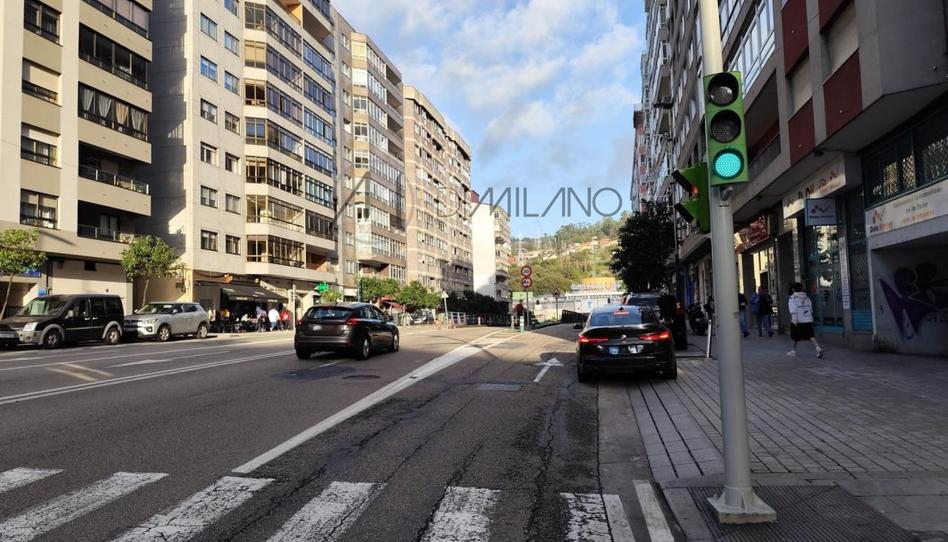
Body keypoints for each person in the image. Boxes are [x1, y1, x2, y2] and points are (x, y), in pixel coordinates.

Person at [788, 282, 824, 358]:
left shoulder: (792, 298)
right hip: (807, 318)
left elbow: (793, 310)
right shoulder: (807, 297)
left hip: (798, 320)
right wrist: (809, 316)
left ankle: (794, 351)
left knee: (795, 335)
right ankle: (817, 347)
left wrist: (794, 320)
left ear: (793, 289)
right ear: (802, 289)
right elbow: (811, 308)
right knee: (810, 335)